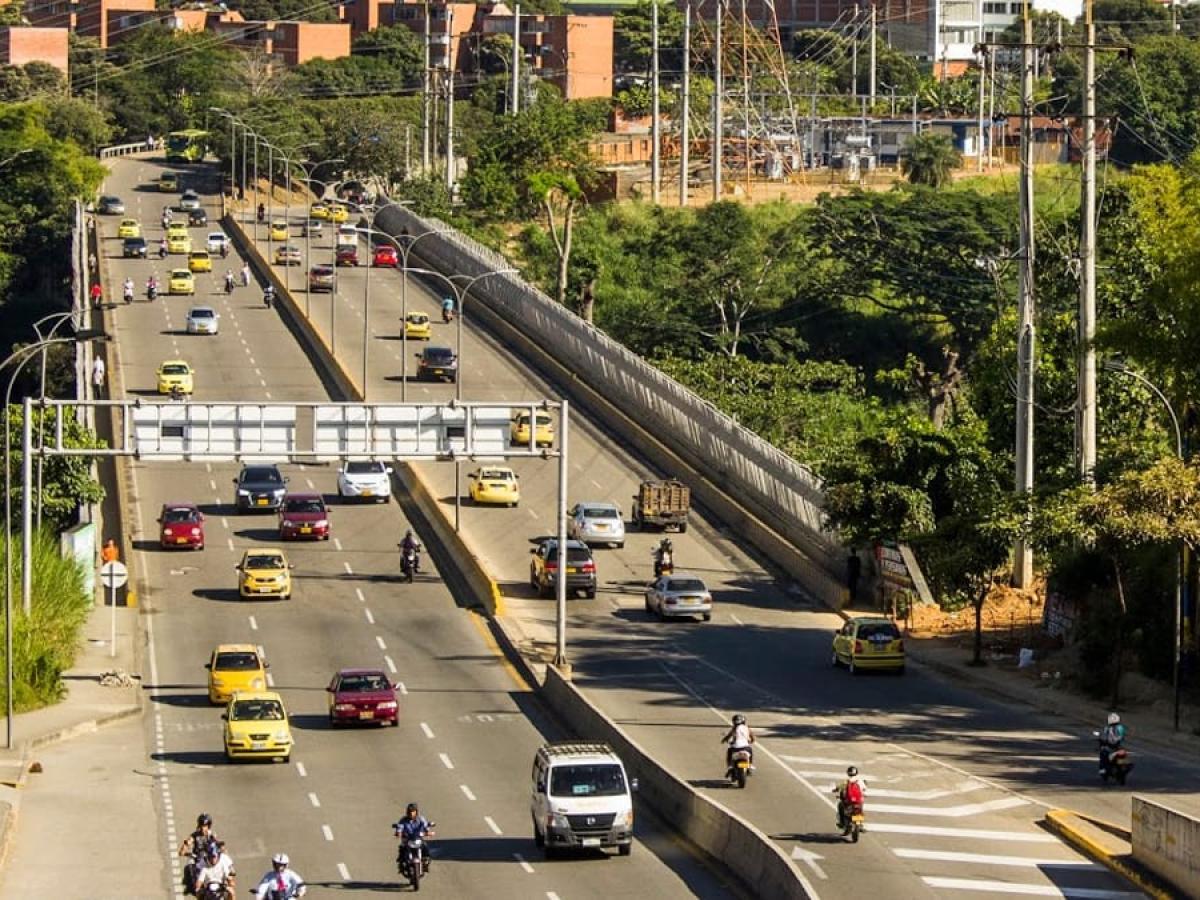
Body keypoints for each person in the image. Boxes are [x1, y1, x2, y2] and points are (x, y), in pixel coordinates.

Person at [178, 814, 219, 895]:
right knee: (189, 866)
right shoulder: (194, 835)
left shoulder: (212, 835)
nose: (202, 828)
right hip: (197, 857)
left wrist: (218, 846)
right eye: (201, 825)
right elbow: (186, 846)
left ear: (209, 826)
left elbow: (218, 846)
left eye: (205, 826)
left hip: (209, 858)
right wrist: (185, 848)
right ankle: (190, 886)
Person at [393, 802, 434, 874]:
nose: (411, 814)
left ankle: (426, 862)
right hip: (407, 839)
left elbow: (425, 826)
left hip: (418, 838)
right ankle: (401, 864)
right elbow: (400, 827)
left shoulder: (421, 819)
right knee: (402, 847)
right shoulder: (403, 820)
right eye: (410, 812)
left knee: (425, 846)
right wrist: (398, 833)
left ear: (416, 812)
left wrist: (428, 832)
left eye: (413, 812)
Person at [835, 766, 866, 832]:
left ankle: (842, 822)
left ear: (848, 773)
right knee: (860, 809)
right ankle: (860, 824)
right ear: (856, 773)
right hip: (858, 801)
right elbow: (864, 789)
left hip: (849, 801)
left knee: (840, 805)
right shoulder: (860, 781)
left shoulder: (846, 781)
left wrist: (835, 789)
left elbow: (839, 788)